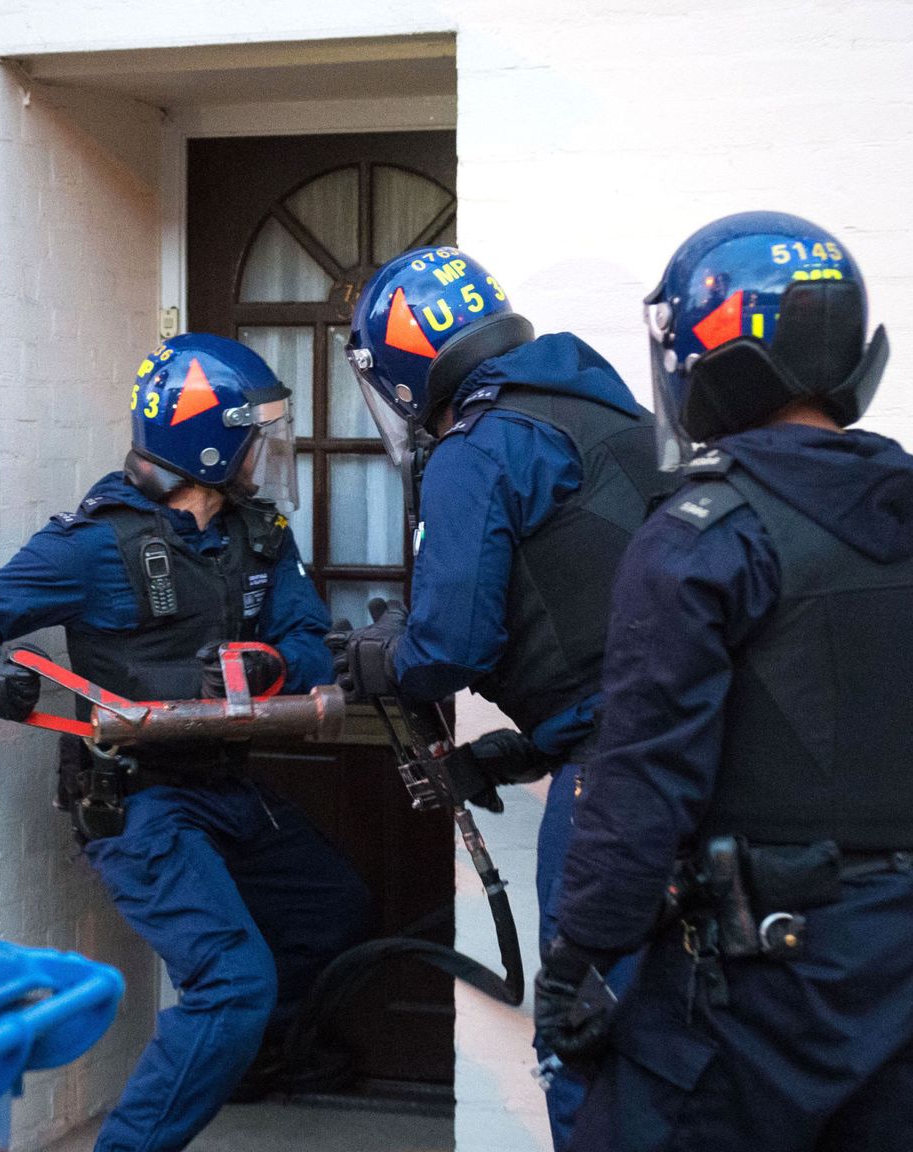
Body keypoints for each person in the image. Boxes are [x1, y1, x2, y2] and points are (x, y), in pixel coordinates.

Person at [538, 212, 913, 1151]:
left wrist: (580, 958)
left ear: (707, 358)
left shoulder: (707, 537)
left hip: (759, 977)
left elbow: (640, 782)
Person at [0, 334, 372, 1152]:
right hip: (138, 804)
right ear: (208, 444)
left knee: (331, 904)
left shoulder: (259, 536)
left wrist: (270, 662)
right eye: (254, 433)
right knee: (234, 981)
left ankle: (251, 1060)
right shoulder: (95, 545)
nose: (267, 451)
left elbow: (310, 642)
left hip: (224, 786)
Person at [333, 245, 678, 1146]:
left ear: (405, 366)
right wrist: (525, 747)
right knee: (675, 1048)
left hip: (617, 789)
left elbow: (448, 644)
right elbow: (614, 621)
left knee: (584, 1045)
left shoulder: (477, 446)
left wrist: (381, 658)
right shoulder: (600, 411)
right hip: (699, 758)